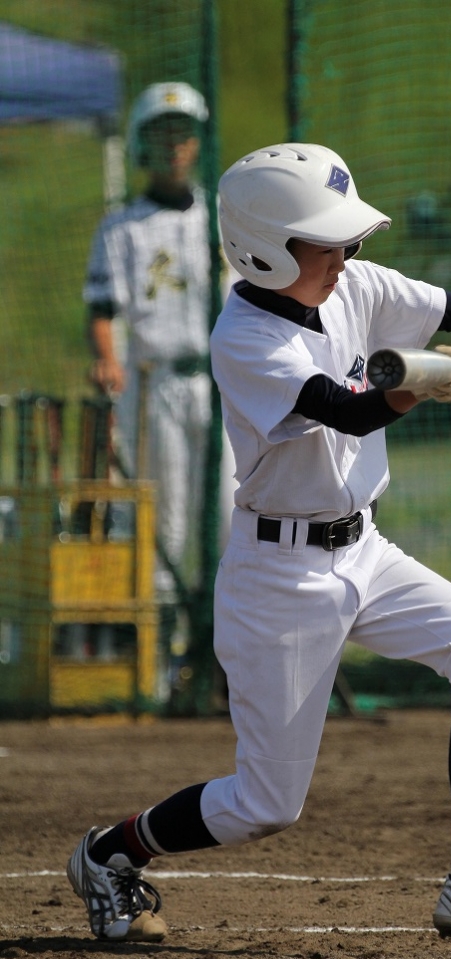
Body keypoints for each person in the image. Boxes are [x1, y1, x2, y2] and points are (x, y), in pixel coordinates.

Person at [67, 143, 451, 947]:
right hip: (280, 578)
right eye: (325, 242)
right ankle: (108, 853)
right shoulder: (242, 336)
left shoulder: (356, 285)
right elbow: (347, 411)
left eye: (348, 240)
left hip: (365, 549)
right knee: (264, 806)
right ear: (264, 249)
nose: (345, 256)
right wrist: (422, 383)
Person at [82, 82, 236, 687]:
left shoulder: (222, 216)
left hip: (221, 384)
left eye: (184, 133)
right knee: (164, 520)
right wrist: (108, 360)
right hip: (157, 382)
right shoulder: (122, 227)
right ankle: (161, 661)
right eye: (162, 134)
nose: (174, 145)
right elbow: (102, 309)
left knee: (232, 515)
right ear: (142, 145)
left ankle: (224, 656)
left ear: (199, 143)